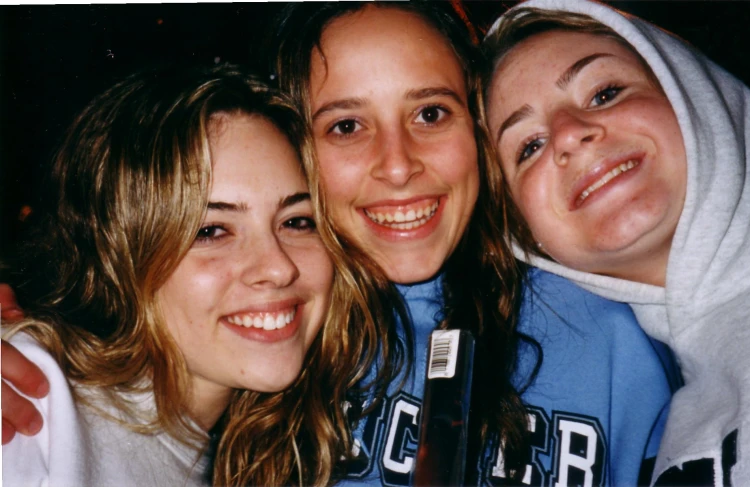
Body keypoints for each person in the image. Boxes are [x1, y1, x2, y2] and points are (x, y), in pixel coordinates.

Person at [2, 3, 680, 485]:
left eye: (431, 113)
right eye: (348, 125)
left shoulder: (621, 321)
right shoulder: (276, 341)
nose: (397, 163)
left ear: (479, 127)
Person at [482, 1, 750, 485]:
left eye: (604, 93)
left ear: (692, 92)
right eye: (528, 146)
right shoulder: (668, 439)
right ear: (526, 235)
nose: (568, 135)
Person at [1, 63, 398, 486]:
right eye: (211, 231)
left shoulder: (225, 456)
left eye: (297, 221)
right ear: (121, 255)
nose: (279, 267)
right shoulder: (33, 407)